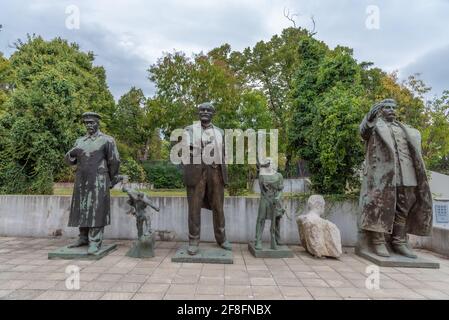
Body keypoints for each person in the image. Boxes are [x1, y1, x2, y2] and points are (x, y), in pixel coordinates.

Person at [359, 99, 433, 258]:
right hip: (383, 175)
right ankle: (378, 242)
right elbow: (363, 132)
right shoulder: (375, 126)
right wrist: (369, 117)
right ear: (381, 110)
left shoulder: (407, 129)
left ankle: (398, 241)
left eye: (394, 107)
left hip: (408, 175)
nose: (392, 110)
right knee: (380, 206)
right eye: (387, 107)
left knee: (404, 208)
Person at [65, 112, 121, 254]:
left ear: (97, 123)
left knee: (96, 210)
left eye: (92, 122)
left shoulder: (107, 140)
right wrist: (71, 153)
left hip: (98, 180)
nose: (89, 125)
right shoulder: (80, 141)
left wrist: (111, 179)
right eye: (86, 123)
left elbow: (114, 161)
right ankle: (83, 237)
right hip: (81, 180)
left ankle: (95, 241)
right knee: (81, 208)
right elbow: (70, 161)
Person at [182, 102, 232, 255]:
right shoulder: (189, 130)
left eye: (208, 110)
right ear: (198, 113)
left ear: (213, 113)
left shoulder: (220, 132)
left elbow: (224, 154)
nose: (204, 112)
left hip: (215, 172)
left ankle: (221, 238)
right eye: (202, 109)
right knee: (194, 208)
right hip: (197, 172)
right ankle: (193, 240)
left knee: (218, 207)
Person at [254, 158, 285, 250]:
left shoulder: (279, 176)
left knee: (277, 220)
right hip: (265, 199)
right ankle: (258, 240)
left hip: (276, 200)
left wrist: (278, 197)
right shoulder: (262, 176)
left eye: (269, 162)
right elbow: (263, 190)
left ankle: (277, 238)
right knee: (261, 219)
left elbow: (280, 190)